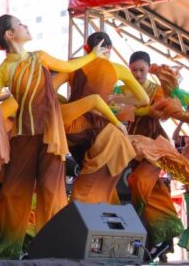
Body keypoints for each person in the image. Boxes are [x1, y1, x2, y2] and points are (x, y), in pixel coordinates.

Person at [0, 14, 100, 259]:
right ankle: (7, 251)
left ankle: (55, 249)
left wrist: (94, 55)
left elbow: (70, 66)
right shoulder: (4, 69)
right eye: (21, 24)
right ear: (10, 34)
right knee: (12, 194)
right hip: (23, 136)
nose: (26, 25)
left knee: (52, 193)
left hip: (50, 135)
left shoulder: (39, 56)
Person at [54, 32, 145, 206]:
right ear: (109, 48)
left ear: (88, 48)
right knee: (99, 169)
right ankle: (82, 208)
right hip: (93, 130)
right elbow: (143, 100)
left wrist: (65, 105)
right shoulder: (117, 69)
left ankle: (94, 209)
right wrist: (118, 99)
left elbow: (50, 89)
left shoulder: (75, 65)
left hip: (68, 130)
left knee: (90, 168)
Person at [114, 51, 184, 259]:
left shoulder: (156, 90)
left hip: (154, 145)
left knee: (141, 182)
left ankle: (144, 227)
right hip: (132, 147)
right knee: (153, 189)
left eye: (141, 70)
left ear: (148, 68)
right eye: (133, 70)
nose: (137, 74)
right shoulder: (120, 89)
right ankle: (162, 241)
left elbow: (160, 113)